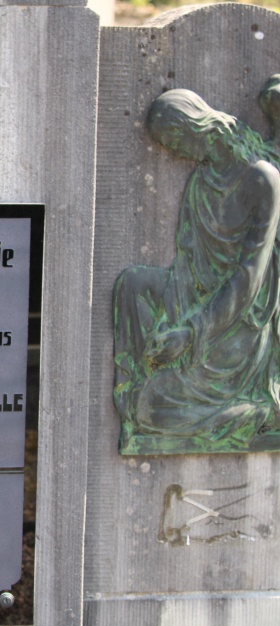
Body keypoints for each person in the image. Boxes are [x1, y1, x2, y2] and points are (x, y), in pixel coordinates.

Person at [113, 89, 280, 453]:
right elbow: (188, 268)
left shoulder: (262, 179)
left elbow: (248, 277)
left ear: (198, 125)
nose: (173, 150)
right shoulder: (201, 183)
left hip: (241, 327)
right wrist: (170, 327)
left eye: (174, 138)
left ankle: (256, 410)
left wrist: (190, 334)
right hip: (197, 308)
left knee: (152, 410)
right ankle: (157, 377)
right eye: (164, 143)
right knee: (133, 283)